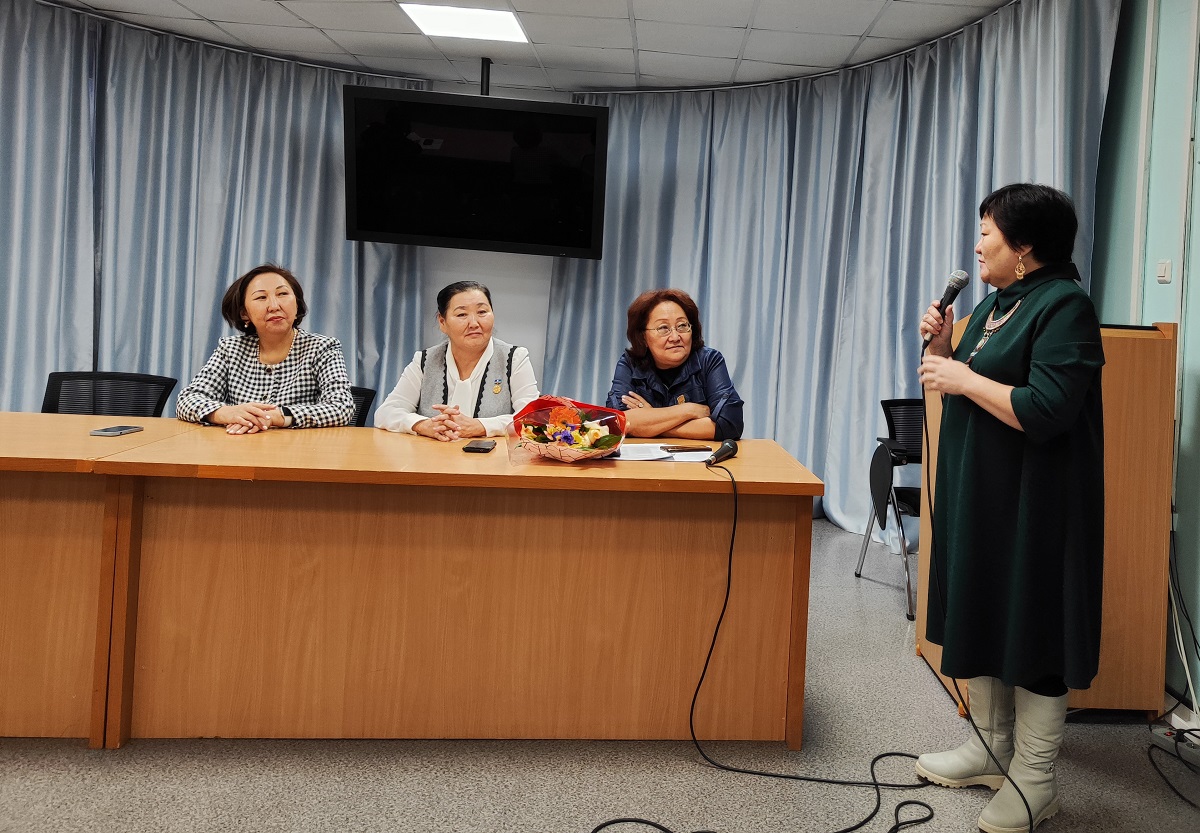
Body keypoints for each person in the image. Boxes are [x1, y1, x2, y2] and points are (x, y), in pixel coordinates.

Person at [916, 184, 1105, 833]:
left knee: (1034, 624)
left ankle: (1035, 778)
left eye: (987, 233)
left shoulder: (1065, 306)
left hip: (1038, 503)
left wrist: (963, 376)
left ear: (1023, 245)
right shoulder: (999, 303)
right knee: (987, 609)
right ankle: (991, 749)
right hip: (983, 494)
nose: (977, 246)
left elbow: (1047, 409)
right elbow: (966, 387)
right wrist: (944, 350)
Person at [176, 264, 355, 433]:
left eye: (282, 294)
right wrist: (227, 413)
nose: (274, 306)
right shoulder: (230, 349)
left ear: (297, 304)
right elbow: (187, 400)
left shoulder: (323, 348)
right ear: (244, 313)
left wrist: (276, 417)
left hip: (299, 449)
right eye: (261, 297)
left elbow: (342, 407)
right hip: (239, 446)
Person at [374, 281, 540, 441]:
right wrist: (423, 425)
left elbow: (533, 419)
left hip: (493, 458)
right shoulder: (425, 361)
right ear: (442, 322)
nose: (474, 323)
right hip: (432, 456)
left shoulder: (514, 358)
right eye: (462, 314)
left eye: (482, 312)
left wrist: (481, 426)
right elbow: (386, 412)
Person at [606, 288, 744, 440]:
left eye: (682, 326)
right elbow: (615, 424)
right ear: (643, 337)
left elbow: (730, 425)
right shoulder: (630, 364)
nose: (675, 337)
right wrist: (688, 410)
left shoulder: (709, 360)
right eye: (663, 328)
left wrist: (650, 422)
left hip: (699, 455)